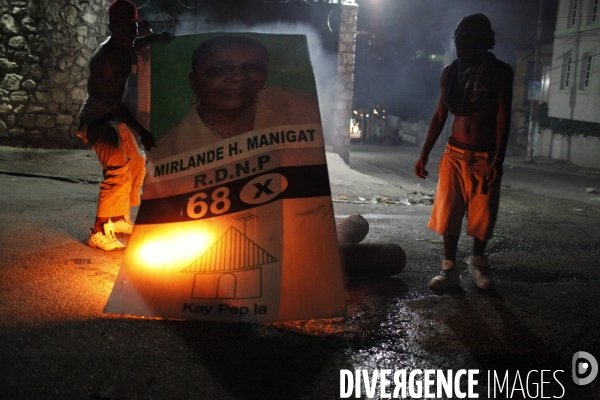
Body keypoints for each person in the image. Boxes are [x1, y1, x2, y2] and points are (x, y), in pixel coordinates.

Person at [414, 14, 513, 290]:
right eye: (458, 37)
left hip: (485, 156)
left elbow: (503, 117)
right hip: (454, 154)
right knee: (449, 214)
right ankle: (450, 269)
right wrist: (424, 154)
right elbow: (439, 115)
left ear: (483, 41)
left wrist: (498, 159)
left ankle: (478, 263)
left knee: (482, 217)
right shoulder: (450, 72)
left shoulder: (500, 72)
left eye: (466, 37)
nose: (459, 43)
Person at [77, 0, 173, 251]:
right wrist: (142, 131)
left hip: (111, 116)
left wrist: (156, 38)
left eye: (134, 27)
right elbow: (114, 104)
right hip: (98, 119)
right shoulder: (107, 59)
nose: (131, 32)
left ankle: (119, 219)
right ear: (111, 26)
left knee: (137, 162)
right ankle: (97, 231)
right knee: (117, 168)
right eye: (125, 27)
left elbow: (133, 44)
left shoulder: (122, 45)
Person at [150, 35, 321, 160]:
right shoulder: (171, 150)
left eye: (254, 67)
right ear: (194, 82)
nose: (239, 78)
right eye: (221, 69)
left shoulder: (301, 108)